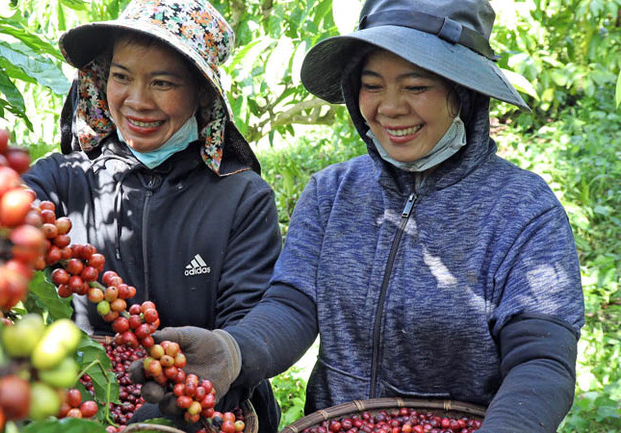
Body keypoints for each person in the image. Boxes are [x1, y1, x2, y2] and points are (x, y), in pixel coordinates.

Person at [150, 0, 585, 431]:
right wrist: (234, 351)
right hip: (339, 423)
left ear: (463, 93)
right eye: (372, 86)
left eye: (416, 87)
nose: (389, 107)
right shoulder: (332, 192)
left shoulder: (523, 210)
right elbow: (293, 305)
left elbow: (540, 362)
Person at [21, 0, 282, 432]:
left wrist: (173, 404)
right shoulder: (68, 177)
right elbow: (13, 204)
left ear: (202, 92)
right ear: (100, 78)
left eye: (162, 83)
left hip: (204, 406)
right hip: (92, 401)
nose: (137, 101)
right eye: (121, 77)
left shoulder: (241, 197)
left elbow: (246, 327)